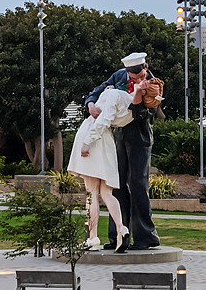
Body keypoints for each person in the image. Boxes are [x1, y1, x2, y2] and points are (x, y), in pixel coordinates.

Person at [85, 52, 160, 252]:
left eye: (141, 75)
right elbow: (98, 90)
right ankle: (118, 235)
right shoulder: (118, 76)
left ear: (146, 67)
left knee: (138, 185)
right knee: (115, 185)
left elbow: (142, 114)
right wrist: (91, 104)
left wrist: (138, 93)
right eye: (133, 78)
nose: (138, 80)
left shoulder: (153, 84)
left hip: (140, 138)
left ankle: (146, 236)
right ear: (127, 71)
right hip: (118, 138)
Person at [68, 88, 136, 251]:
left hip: (94, 138)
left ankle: (93, 238)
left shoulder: (113, 95)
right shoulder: (130, 104)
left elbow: (102, 120)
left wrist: (87, 142)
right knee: (107, 193)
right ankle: (121, 228)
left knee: (91, 193)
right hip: (106, 141)